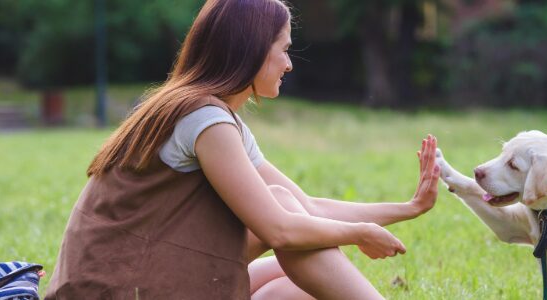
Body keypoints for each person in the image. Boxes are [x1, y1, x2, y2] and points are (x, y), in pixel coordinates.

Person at [44, 0, 441, 299]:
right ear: (251, 49)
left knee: (291, 288)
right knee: (288, 238)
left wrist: (408, 208)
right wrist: (357, 234)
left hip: (127, 279)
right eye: (283, 49)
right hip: (114, 289)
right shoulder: (203, 119)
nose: (289, 64)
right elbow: (280, 229)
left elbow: (304, 207)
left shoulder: (210, 113)